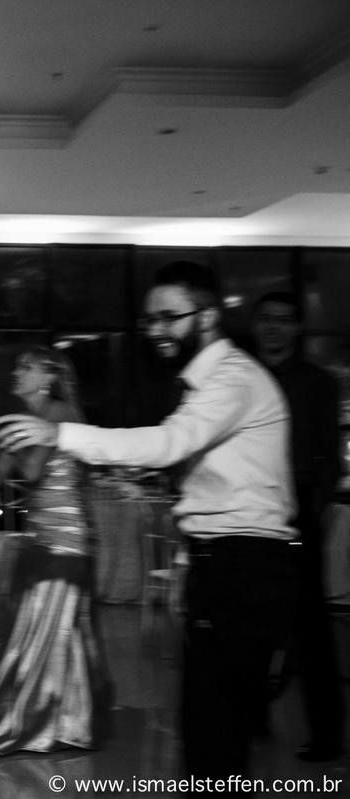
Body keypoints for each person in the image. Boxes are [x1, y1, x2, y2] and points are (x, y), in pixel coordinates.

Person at [0, 260, 297, 779]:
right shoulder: (205, 383)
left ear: (208, 317)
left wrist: (61, 435)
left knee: (215, 730)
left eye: (168, 317)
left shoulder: (233, 378)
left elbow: (169, 442)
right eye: (150, 319)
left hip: (244, 564)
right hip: (225, 562)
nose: (155, 330)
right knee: (207, 727)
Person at [0, 347, 111, 755]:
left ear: (49, 377)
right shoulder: (25, 420)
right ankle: (66, 719)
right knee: (47, 629)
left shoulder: (60, 412)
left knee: (48, 627)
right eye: (18, 365)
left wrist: (12, 446)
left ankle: (41, 721)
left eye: (26, 366)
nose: (17, 371)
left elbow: (30, 471)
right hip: (39, 535)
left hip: (67, 537)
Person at [249, 290, 344, 761]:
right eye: (266, 318)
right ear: (255, 324)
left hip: (299, 507)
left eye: (284, 319)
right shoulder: (245, 376)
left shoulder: (317, 382)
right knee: (250, 621)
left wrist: (313, 510)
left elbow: (330, 457)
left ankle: (327, 736)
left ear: (297, 328)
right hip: (251, 505)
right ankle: (253, 717)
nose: (274, 327)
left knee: (311, 630)